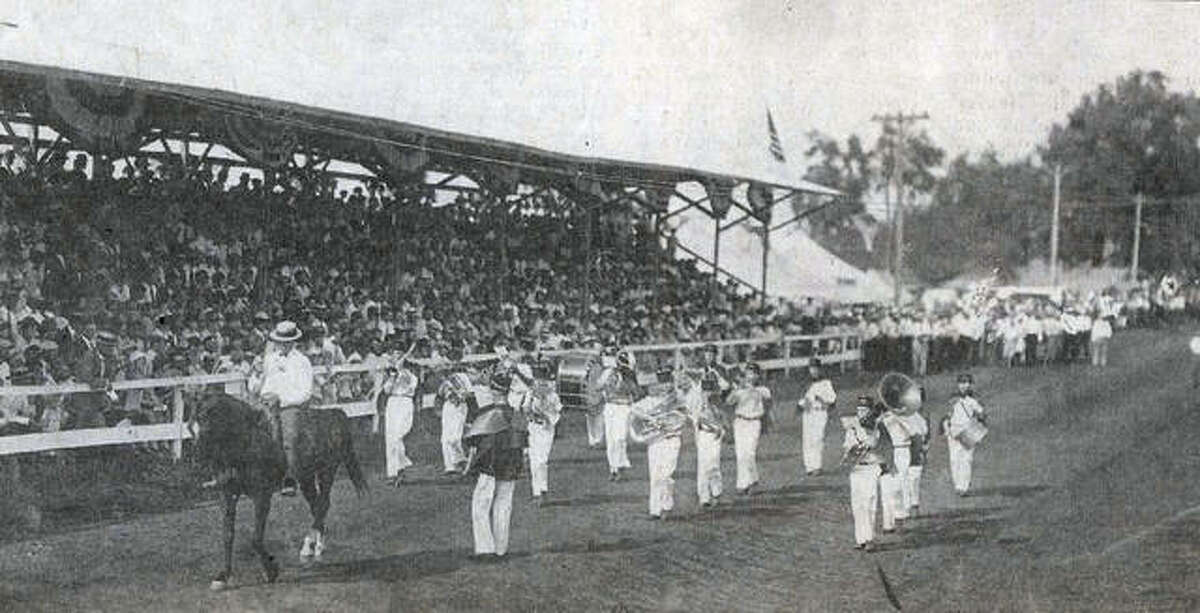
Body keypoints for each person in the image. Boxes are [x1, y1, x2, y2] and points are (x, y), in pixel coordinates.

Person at [464, 371, 528, 561]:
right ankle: (501, 549)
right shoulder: (517, 414)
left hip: (491, 464)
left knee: (481, 505)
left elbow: (479, 445)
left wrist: (472, 467)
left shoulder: (488, 414)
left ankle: (485, 549)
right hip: (511, 464)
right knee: (504, 505)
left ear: (493, 390)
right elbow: (523, 442)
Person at [255, 320, 314, 497]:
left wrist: (281, 401)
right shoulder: (269, 359)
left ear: (293, 342)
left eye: (285, 342)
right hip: (268, 403)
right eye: (279, 341)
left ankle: (290, 478)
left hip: (291, 406)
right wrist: (257, 376)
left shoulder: (302, 361)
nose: (281, 345)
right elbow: (260, 385)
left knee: (289, 439)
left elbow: (305, 392)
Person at [635, 365, 690, 520]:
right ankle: (655, 509)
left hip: (672, 439)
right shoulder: (652, 400)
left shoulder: (678, 397)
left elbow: (685, 414)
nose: (666, 385)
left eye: (668, 381)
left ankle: (667, 505)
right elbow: (635, 410)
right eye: (662, 381)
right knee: (655, 475)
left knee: (666, 474)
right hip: (655, 440)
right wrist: (651, 419)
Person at [876, 373, 927, 532]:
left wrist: (901, 418)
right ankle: (888, 523)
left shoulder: (909, 415)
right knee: (886, 488)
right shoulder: (885, 417)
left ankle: (900, 518)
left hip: (902, 451)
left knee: (898, 486)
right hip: (886, 452)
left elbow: (920, 431)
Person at [841, 395, 884, 552]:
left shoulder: (877, 428)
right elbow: (847, 446)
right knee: (857, 504)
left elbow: (875, 443)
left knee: (869, 503)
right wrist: (850, 450)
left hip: (870, 467)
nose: (861, 413)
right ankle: (860, 538)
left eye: (864, 410)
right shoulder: (852, 428)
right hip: (856, 468)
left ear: (871, 411)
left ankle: (869, 538)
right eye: (859, 410)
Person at [727, 363, 773, 495]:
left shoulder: (762, 389)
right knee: (741, 454)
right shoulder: (739, 389)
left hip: (754, 423)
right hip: (740, 422)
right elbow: (729, 402)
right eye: (748, 373)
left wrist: (748, 387)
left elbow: (766, 396)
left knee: (750, 453)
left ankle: (750, 481)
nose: (750, 376)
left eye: (753, 373)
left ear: (758, 375)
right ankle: (745, 483)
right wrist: (736, 389)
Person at [599, 347, 643, 481]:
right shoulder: (608, 372)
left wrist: (627, 378)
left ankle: (620, 466)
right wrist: (608, 381)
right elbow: (597, 386)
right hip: (610, 407)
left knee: (620, 438)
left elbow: (637, 393)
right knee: (611, 439)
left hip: (624, 407)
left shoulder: (629, 375)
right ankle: (613, 468)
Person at [941, 373, 987, 496]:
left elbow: (982, 415)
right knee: (954, 459)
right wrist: (946, 427)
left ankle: (963, 486)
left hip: (968, 431)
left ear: (971, 385)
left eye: (967, 382)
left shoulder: (974, 399)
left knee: (966, 459)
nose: (964, 385)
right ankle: (957, 484)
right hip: (954, 431)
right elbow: (947, 415)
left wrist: (977, 421)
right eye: (961, 383)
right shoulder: (952, 399)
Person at [379, 346, 418, 486]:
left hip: (405, 403)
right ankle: (394, 473)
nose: (395, 359)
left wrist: (401, 372)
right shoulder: (392, 374)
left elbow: (411, 387)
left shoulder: (411, 375)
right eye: (394, 356)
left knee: (398, 436)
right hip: (392, 403)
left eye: (398, 356)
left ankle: (401, 467)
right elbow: (386, 390)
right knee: (390, 439)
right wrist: (393, 376)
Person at [524, 359, 561, 504]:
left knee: (541, 461)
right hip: (533, 427)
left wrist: (544, 409)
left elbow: (557, 413)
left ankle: (543, 490)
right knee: (534, 460)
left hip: (546, 428)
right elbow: (525, 408)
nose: (539, 382)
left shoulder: (552, 395)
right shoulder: (531, 392)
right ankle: (537, 493)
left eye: (541, 379)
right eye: (537, 378)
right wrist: (529, 409)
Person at [436, 346, 476, 474]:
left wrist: (459, 395)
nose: (450, 364)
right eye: (449, 361)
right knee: (445, 437)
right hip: (448, 406)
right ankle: (450, 466)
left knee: (454, 438)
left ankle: (461, 460)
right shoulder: (445, 377)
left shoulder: (463, 376)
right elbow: (440, 393)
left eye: (453, 361)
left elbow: (470, 393)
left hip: (460, 406)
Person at [799, 358, 836, 477]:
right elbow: (802, 400)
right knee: (807, 439)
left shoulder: (826, 383)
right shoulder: (807, 383)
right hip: (808, 413)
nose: (813, 371)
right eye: (811, 368)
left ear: (820, 369)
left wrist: (821, 399)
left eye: (815, 368)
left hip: (820, 412)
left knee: (817, 439)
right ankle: (809, 466)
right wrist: (802, 404)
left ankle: (817, 466)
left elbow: (832, 401)